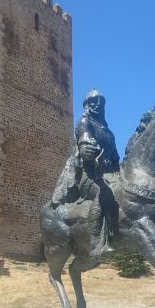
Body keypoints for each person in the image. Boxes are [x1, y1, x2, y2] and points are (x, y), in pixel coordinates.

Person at [52, 89, 120, 257]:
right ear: (87, 105)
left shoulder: (109, 133)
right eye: (93, 101)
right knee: (104, 193)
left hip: (108, 174)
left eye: (100, 102)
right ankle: (98, 240)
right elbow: (84, 145)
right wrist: (88, 149)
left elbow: (116, 158)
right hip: (88, 174)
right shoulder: (85, 122)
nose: (97, 104)